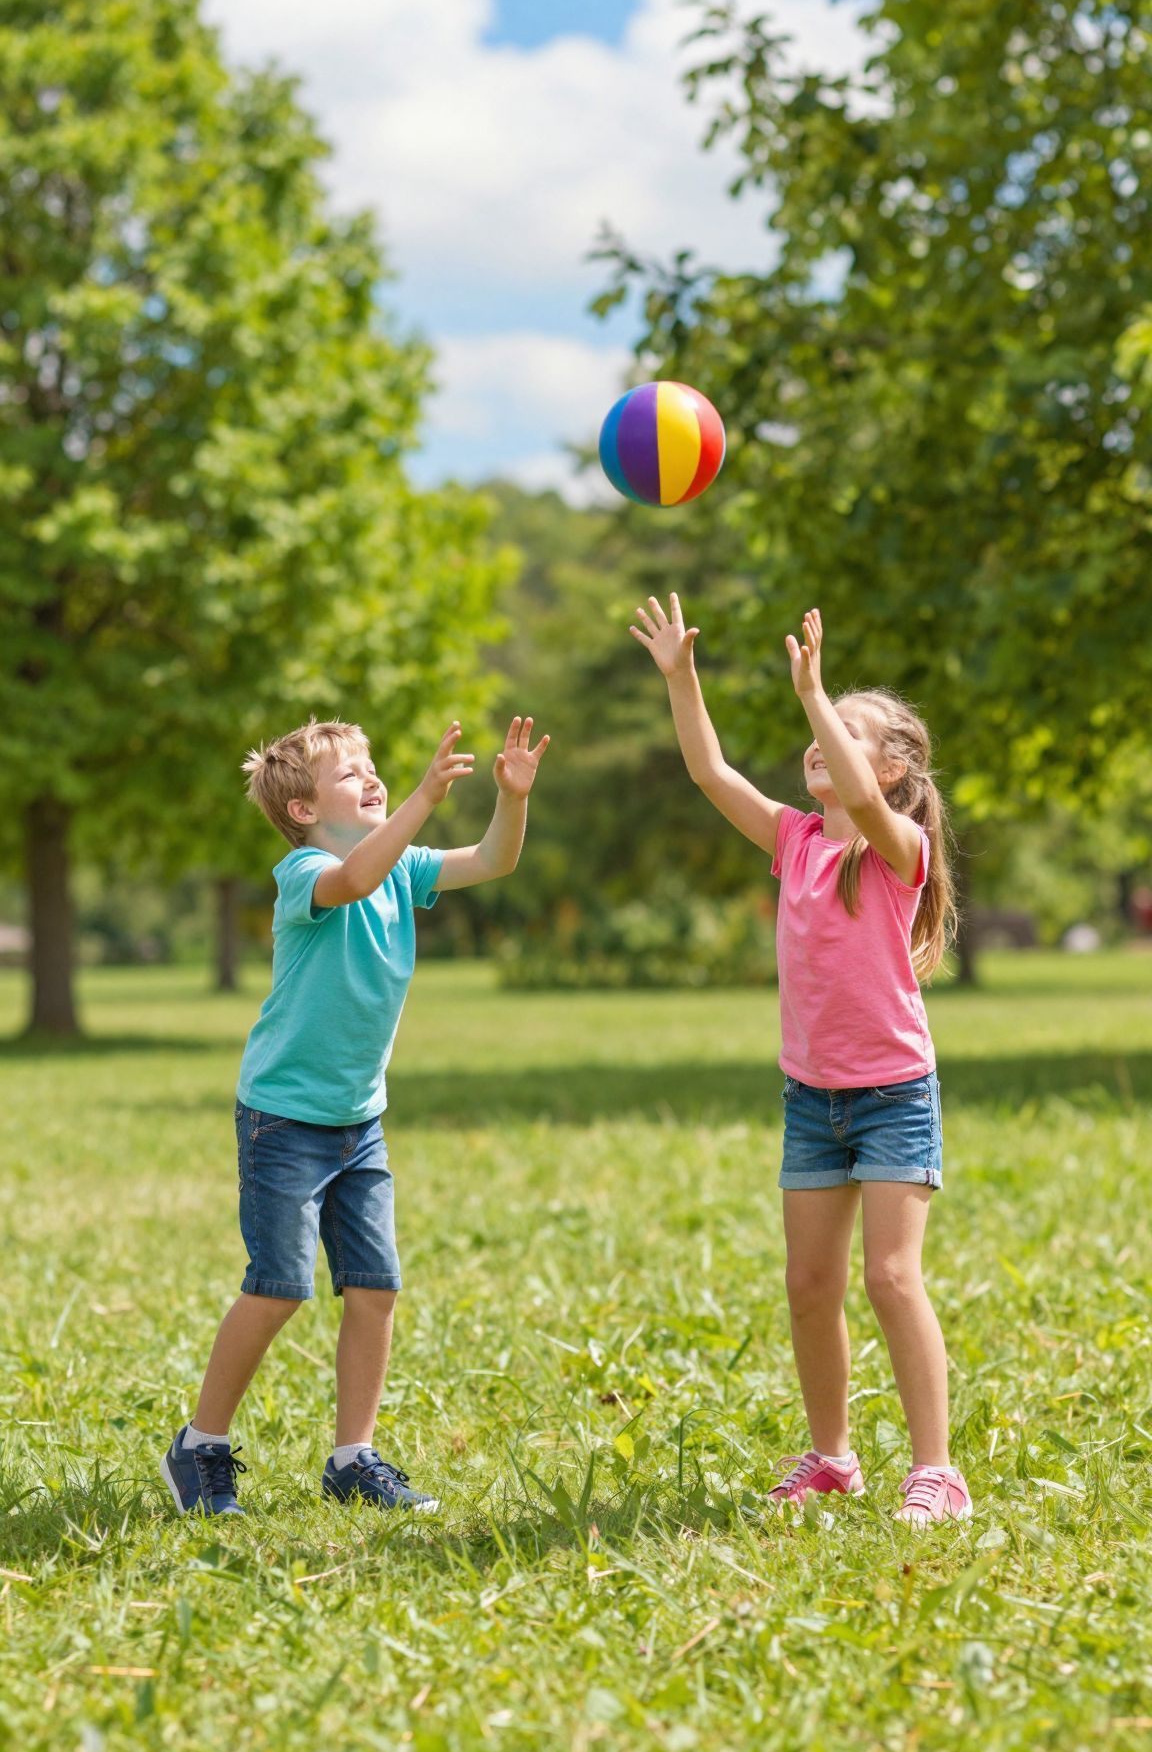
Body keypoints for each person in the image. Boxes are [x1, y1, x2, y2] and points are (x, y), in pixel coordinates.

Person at [630, 594, 969, 1527]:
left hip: (894, 1094)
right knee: (809, 1285)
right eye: (819, 732)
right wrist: (681, 675)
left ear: (894, 766)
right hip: (812, 1098)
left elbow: (861, 797)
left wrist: (816, 689)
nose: (820, 743)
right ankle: (833, 1459)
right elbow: (709, 771)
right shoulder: (796, 841)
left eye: (848, 735)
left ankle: (937, 1472)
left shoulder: (897, 849)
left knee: (891, 1278)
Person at [162, 713, 549, 1517]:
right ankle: (200, 1446)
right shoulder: (303, 873)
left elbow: (494, 859)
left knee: (374, 1287)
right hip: (284, 1119)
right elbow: (355, 880)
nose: (371, 777)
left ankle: (353, 1457)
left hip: (358, 1121)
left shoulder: (403, 867)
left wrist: (511, 799)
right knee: (278, 1288)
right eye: (351, 774)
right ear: (304, 810)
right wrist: (421, 795)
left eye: (374, 764)